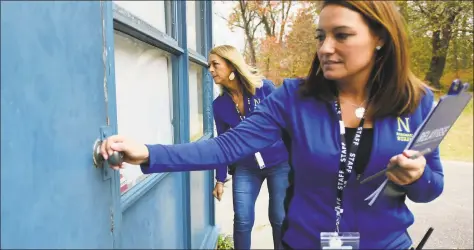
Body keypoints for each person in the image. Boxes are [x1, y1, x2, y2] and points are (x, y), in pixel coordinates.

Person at [100, 1, 444, 249]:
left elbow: (431, 188)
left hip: (388, 244)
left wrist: (418, 177)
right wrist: (147, 152)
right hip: (306, 243)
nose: (325, 48)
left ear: (380, 38)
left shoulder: (417, 101)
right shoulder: (294, 97)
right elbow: (226, 146)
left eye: (341, 35)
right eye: (320, 36)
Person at [208, 45, 290, 249]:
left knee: (279, 217)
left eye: (215, 65)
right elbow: (223, 143)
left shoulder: (265, 89)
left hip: (279, 162)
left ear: (231, 66)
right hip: (246, 167)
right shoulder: (219, 105)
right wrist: (219, 178)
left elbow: (287, 123)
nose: (210, 69)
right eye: (209, 65)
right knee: (242, 219)